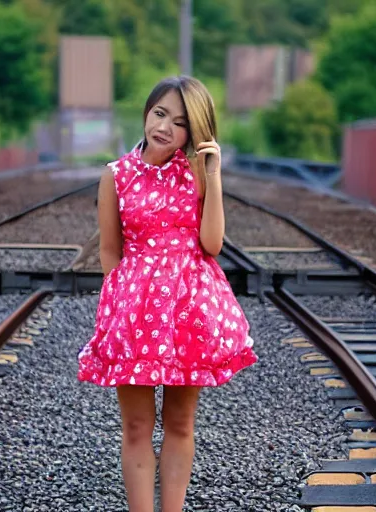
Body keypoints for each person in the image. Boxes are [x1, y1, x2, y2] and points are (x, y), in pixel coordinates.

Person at [78, 75, 258, 511]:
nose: (165, 128)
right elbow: (109, 253)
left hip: (189, 311)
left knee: (179, 423)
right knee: (138, 427)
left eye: (180, 123)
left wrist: (213, 176)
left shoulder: (197, 173)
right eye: (160, 113)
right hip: (135, 311)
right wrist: (120, 309)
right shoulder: (115, 176)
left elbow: (212, 244)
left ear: (193, 133)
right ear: (145, 112)